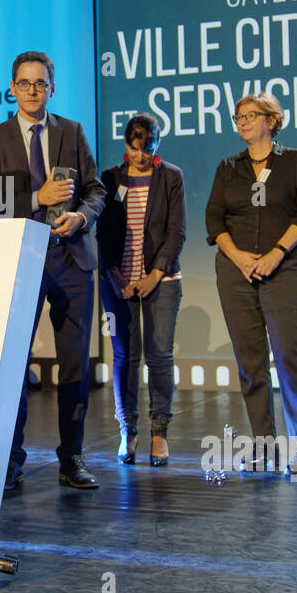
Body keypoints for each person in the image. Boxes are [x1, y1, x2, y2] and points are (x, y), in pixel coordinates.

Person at [0, 50, 106, 490]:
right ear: (12, 88)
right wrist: (39, 196)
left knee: (74, 365)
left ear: (52, 88)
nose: (33, 90)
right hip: (20, 258)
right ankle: (11, 461)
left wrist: (82, 217)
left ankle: (72, 459)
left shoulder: (72, 131)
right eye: (25, 83)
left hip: (72, 256)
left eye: (41, 83)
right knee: (13, 364)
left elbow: (96, 190)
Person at [205, 93, 297, 476]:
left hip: (283, 269)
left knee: (289, 357)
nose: (242, 121)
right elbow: (214, 220)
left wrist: (275, 253)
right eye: (238, 116)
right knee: (251, 363)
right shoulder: (228, 167)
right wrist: (239, 257)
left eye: (251, 115)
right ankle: (263, 446)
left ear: (272, 120)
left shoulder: (296, 161)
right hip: (236, 272)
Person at [98, 113, 186, 467]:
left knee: (159, 356)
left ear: (156, 145)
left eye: (147, 149)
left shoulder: (171, 178)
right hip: (118, 281)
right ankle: (128, 431)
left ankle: (159, 433)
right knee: (124, 357)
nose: (140, 156)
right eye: (134, 149)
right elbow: (102, 231)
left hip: (161, 281)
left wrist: (153, 275)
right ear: (126, 146)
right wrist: (117, 276)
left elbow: (176, 232)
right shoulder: (110, 179)